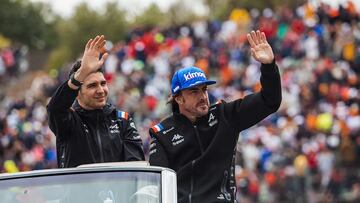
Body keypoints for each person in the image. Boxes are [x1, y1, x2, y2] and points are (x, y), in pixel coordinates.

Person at [148, 30, 282, 203]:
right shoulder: (162, 134)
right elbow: (156, 185)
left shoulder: (225, 115)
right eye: (194, 91)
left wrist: (269, 65)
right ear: (179, 99)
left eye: (204, 89)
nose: (203, 96)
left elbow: (270, 101)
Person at [47, 35, 145, 168]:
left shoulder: (122, 120)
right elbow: (55, 108)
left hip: (117, 189)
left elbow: (136, 167)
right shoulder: (69, 121)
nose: (100, 90)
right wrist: (81, 74)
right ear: (77, 94)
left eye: (103, 83)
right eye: (92, 85)